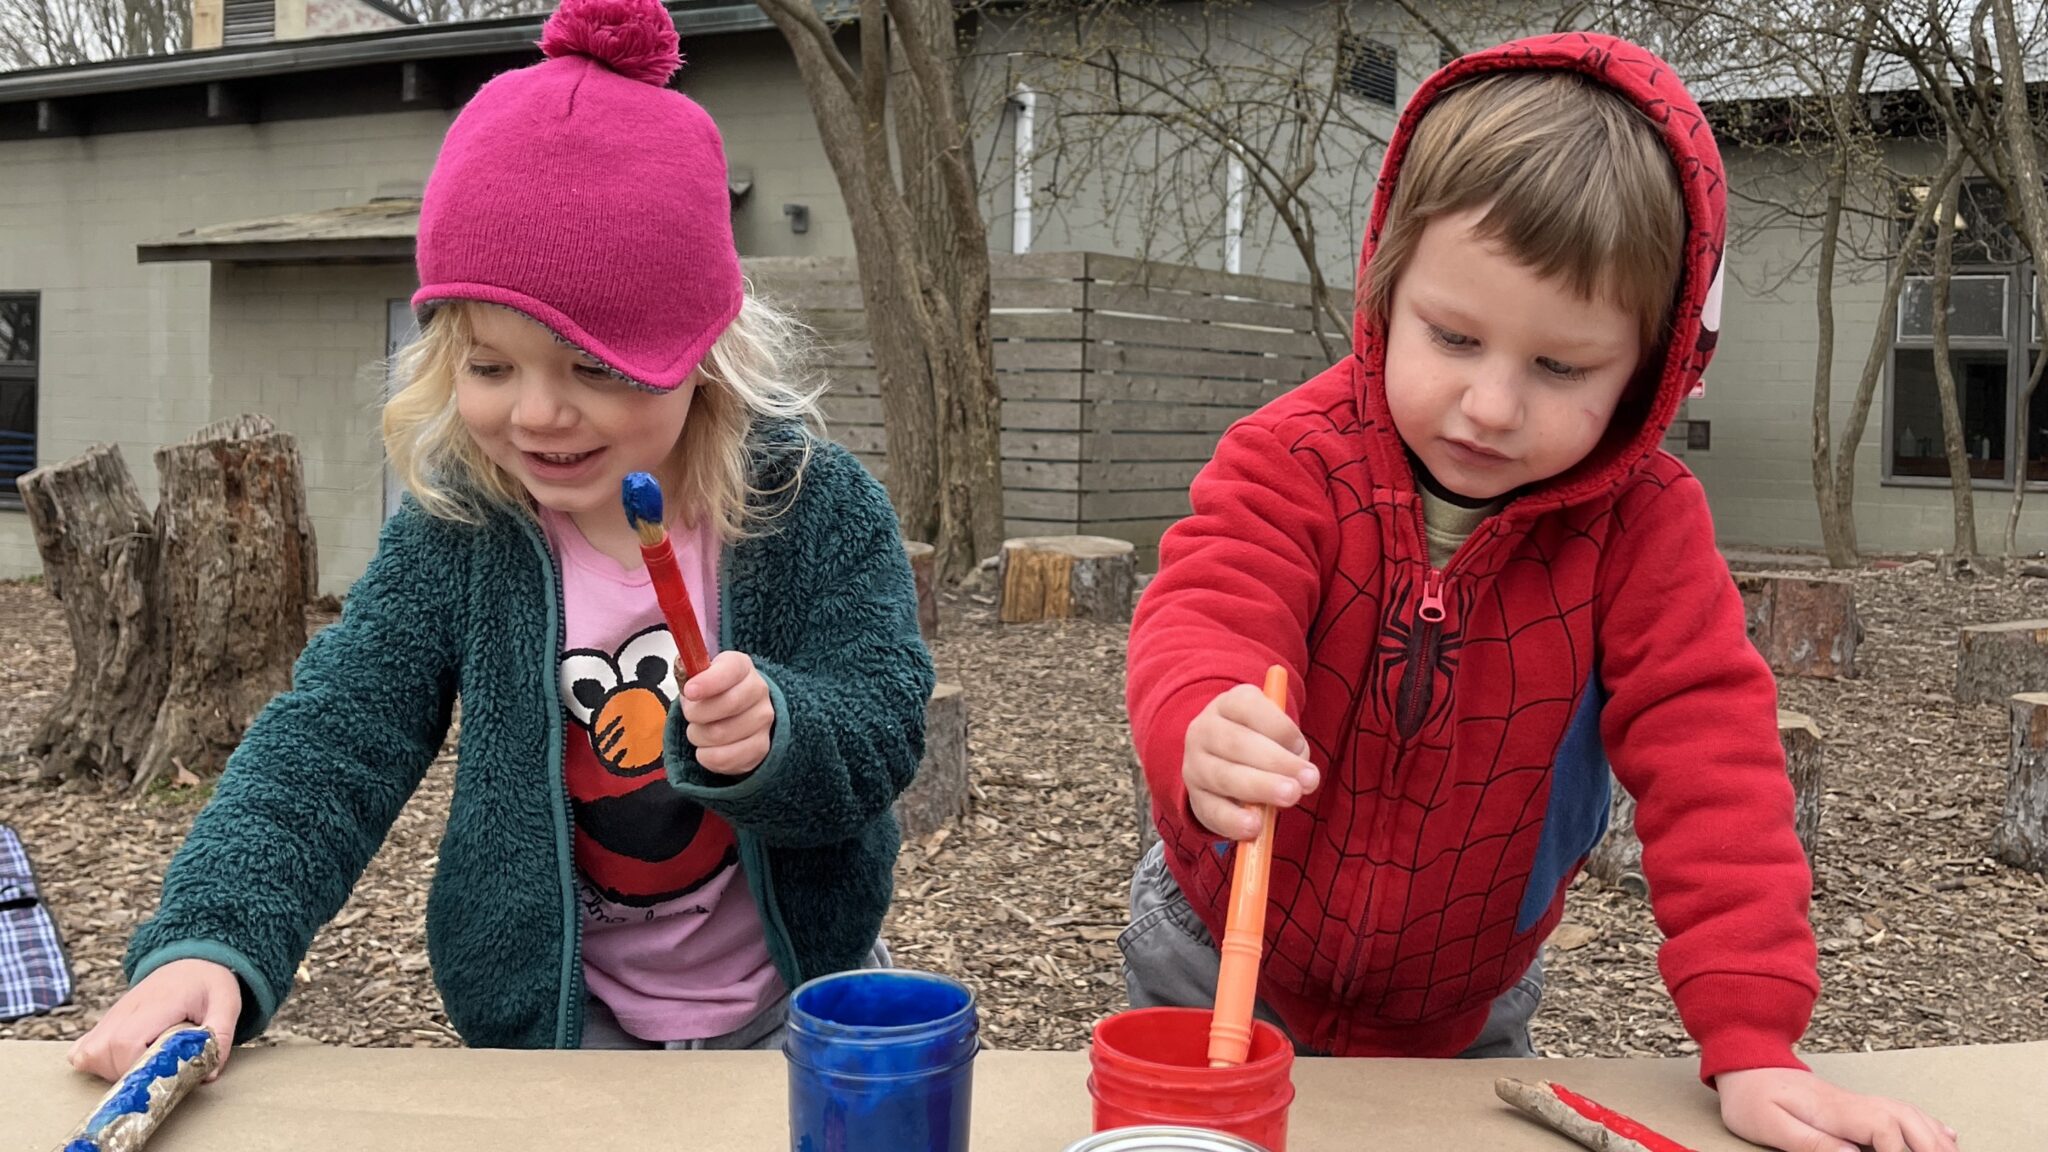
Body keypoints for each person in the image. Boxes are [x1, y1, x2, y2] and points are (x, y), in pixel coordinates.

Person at [1122, 32, 1958, 1152]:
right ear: (1385, 282)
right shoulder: (1292, 456)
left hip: (1464, 1010)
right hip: (1212, 954)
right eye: (1452, 337)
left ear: (1653, 367)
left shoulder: (1643, 528)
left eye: (1560, 367)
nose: (1490, 405)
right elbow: (1207, 605)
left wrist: (1753, 1042)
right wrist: (1201, 715)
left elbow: (1714, 768)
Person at [69, 0, 931, 1077]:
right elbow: (334, 738)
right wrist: (214, 934)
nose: (535, 415)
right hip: (558, 1029)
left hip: (799, 1004)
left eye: (595, 368)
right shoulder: (463, 530)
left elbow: (888, 716)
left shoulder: (810, 504)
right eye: (490, 367)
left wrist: (781, 736)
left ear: (700, 350)